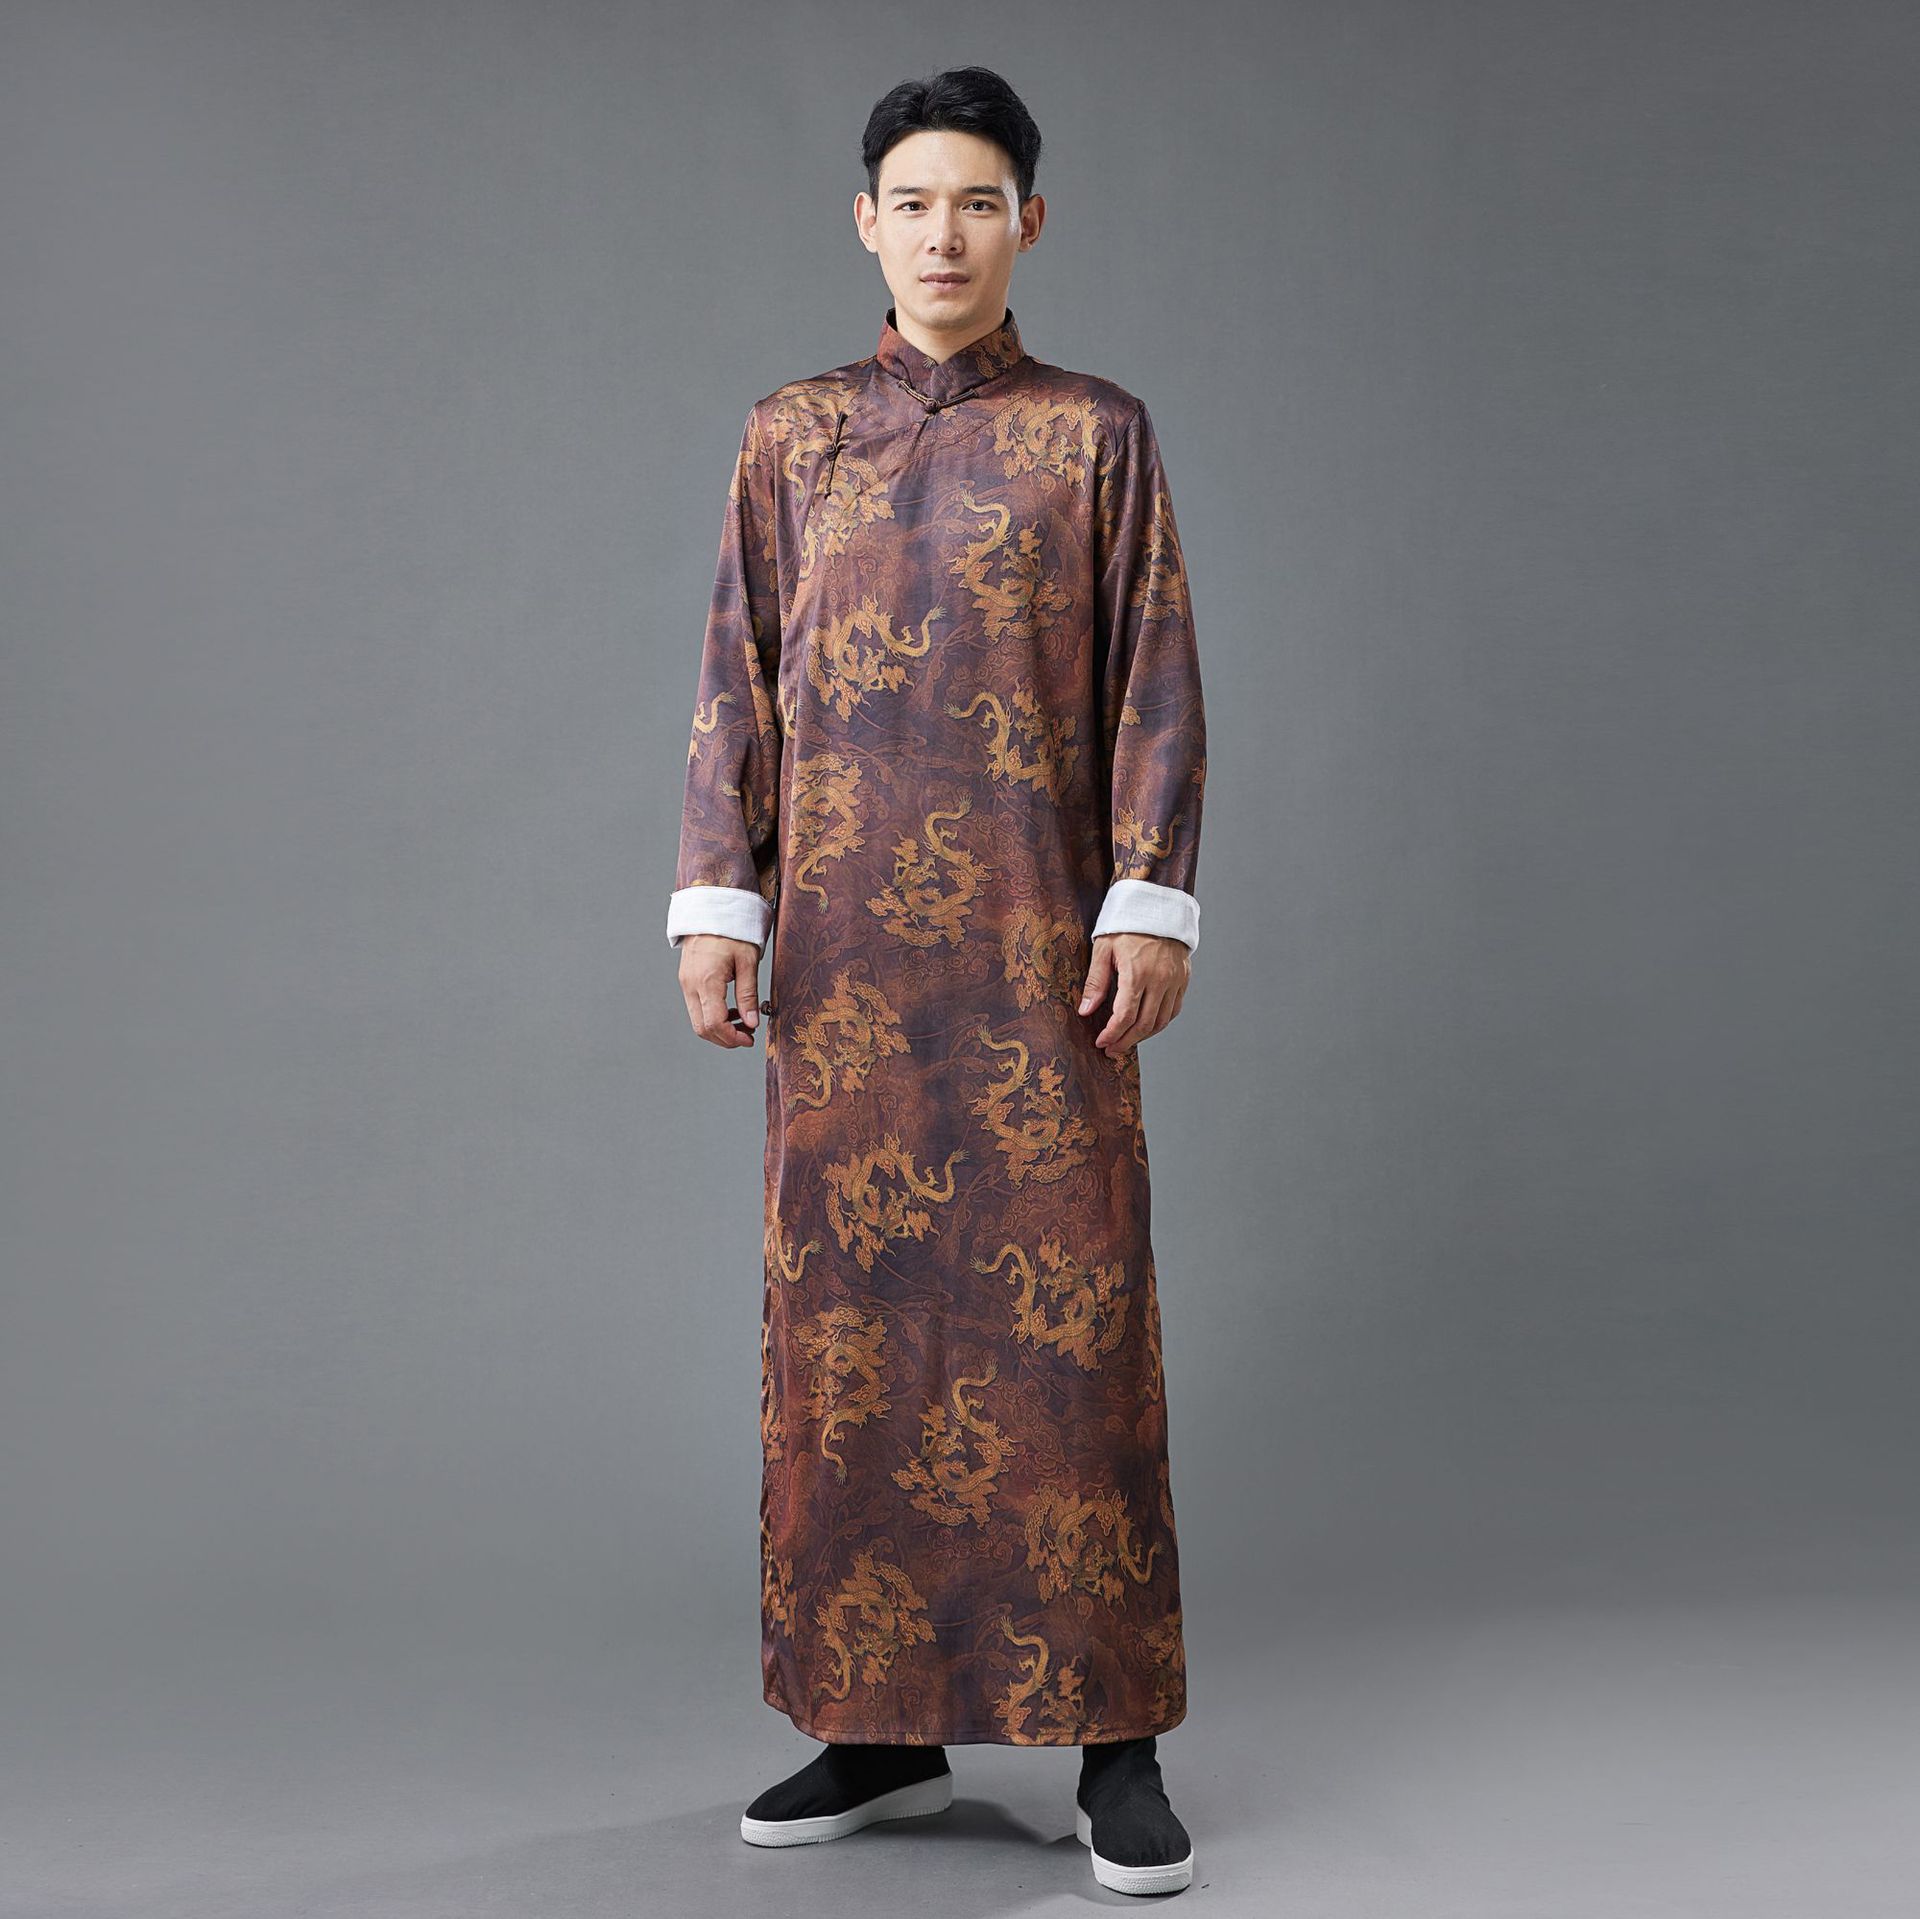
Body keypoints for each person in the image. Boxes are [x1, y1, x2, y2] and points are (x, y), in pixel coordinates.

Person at [668, 66, 1207, 1899]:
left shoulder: (1096, 437)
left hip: (1040, 956)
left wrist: (1149, 896)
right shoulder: (792, 435)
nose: (946, 234)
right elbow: (738, 674)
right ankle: (877, 1725)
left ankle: (1116, 1738)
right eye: (914, 202)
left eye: (979, 201)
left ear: (1027, 223)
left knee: (1075, 1339)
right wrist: (718, 902)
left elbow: (1153, 671)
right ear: (867, 223)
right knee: (851, 1341)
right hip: (842, 980)